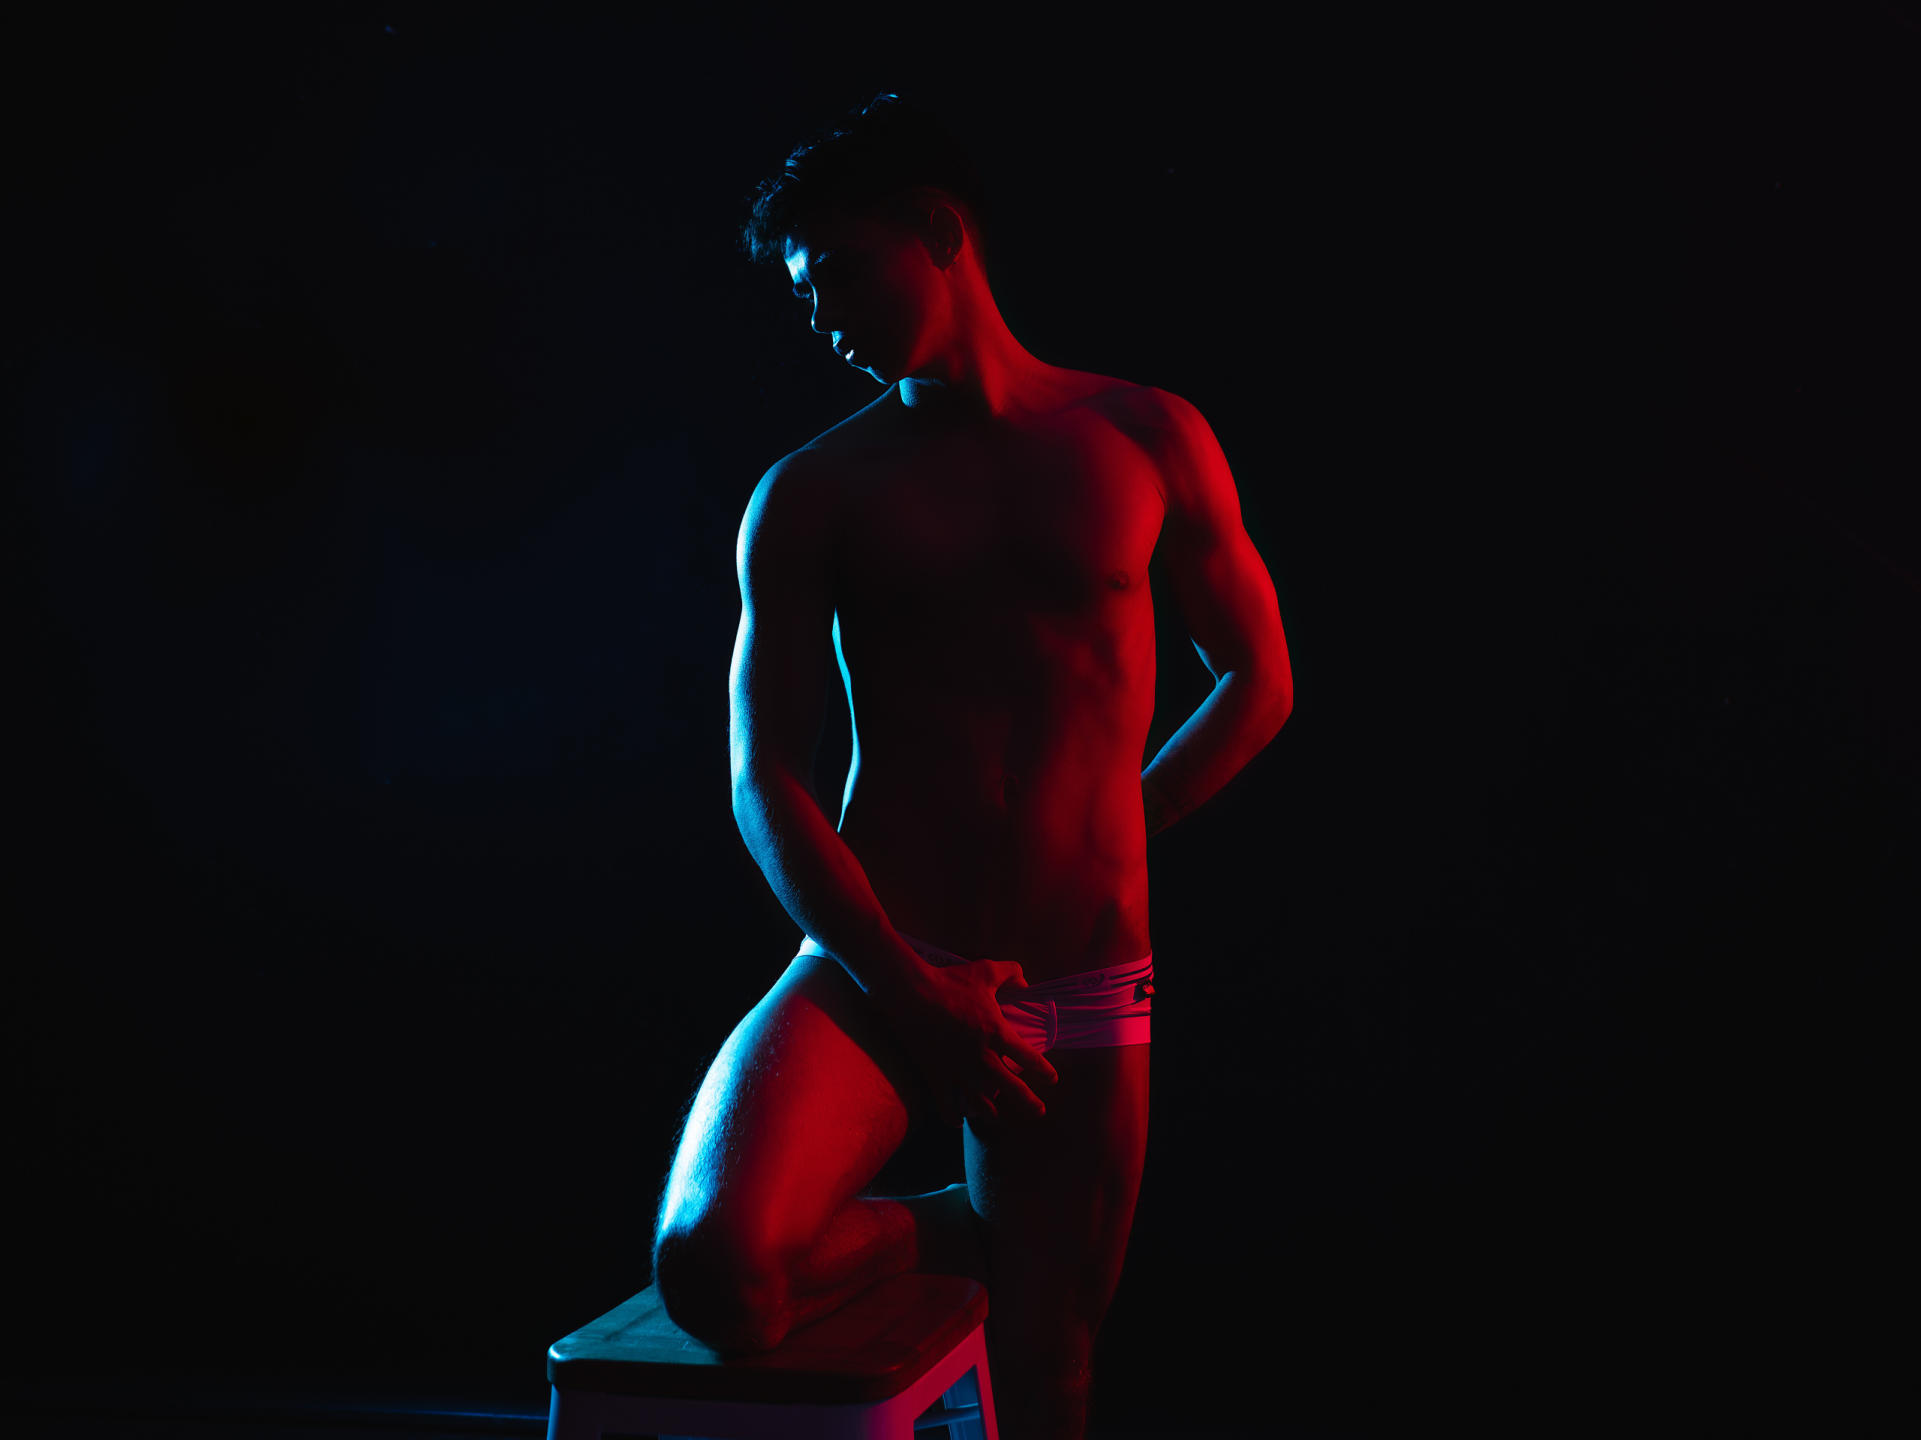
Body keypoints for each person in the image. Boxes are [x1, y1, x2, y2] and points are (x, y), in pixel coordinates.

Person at [650, 92, 1292, 1440]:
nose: (817, 312)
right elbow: (765, 781)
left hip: (1077, 971)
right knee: (717, 1270)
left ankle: (1004, 1233)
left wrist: (1116, 825)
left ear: (937, 232)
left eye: (834, 271)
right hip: (885, 956)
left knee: (1050, 1368)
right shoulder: (813, 492)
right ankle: (955, 1225)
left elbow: (1257, 682)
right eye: (800, 289)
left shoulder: (1142, 435)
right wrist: (910, 982)